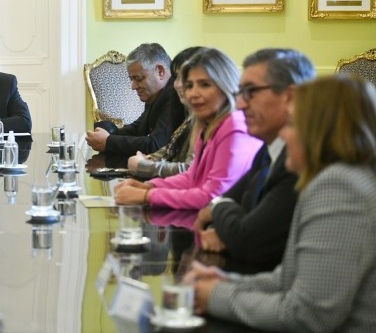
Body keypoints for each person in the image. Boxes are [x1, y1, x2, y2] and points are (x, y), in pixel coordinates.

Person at [189, 75, 376, 332]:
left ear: (319, 132)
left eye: (290, 124)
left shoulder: (338, 186)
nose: (284, 136)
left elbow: (307, 315)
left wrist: (215, 296)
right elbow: (290, 277)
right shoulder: (338, 178)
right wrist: (227, 282)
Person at [194, 49, 315, 271]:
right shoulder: (267, 151)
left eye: (251, 92)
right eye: (241, 93)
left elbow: (247, 240)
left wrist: (222, 211)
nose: (240, 105)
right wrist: (227, 219)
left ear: (290, 96)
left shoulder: (300, 161)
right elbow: (222, 209)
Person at [114, 48, 262, 209]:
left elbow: (211, 196)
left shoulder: (235, 126)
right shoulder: (207, 124)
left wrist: (147, 195)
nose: (193, 93)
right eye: (189, 85)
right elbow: (192, 176)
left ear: (226, 85)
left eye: (205, 85)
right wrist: (149, 186)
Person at [86, 43, 186, 157]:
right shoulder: (157, 93)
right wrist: (109, 133)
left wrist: (108, 142)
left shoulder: (175, 94)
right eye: (131, 79)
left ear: (160, 71)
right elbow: (139, 128)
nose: (133, 86)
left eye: (138, 79)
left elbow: (156, 145)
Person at [126, 46, 204, 179]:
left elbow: (190, 171)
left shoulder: (214, 121)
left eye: (184, 78)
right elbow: (172, 147)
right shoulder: (195, 115)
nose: (177, 84)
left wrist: (144, 167)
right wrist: (149, 159)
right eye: (176, 77)